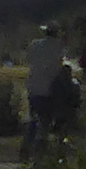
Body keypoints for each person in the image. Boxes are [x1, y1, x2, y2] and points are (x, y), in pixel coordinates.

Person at [23, 24, 65, 157]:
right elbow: (58, 67)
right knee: (45, 121)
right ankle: (40, 151)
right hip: (49, 89)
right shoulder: (58, 47)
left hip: (33, 87)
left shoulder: (35, 44)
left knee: (34, 119)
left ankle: (27, 149)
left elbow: (28, 59)